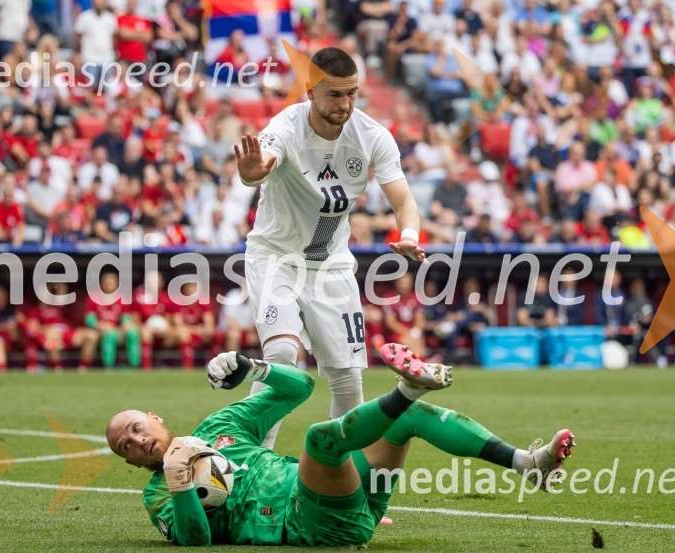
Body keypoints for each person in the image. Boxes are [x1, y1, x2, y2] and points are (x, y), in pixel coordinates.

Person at [106, 345, 575, 547]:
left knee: (407, 421)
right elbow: (195, 541)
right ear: (130, 462)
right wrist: (181, 479)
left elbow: (300, 386)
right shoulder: (158, 495)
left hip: (354, 502)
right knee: (318, 440)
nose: (135, 440)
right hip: (310, 526)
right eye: (125, 447)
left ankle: (528, 463)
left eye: (133, 427)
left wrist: (253, 367)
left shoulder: (221, 424)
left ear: (154, 417)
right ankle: (408, 387)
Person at [234, 47, 425, 449]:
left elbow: (404, 201)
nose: (346, 104)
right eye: (335, 95)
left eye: (352, 93)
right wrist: (251, 174)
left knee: (348, 379)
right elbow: (262, 160)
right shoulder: (285, 127)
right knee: (283, 357)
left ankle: (339, 491)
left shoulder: (372, 136)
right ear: (310, 91)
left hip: (332, 266)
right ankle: (250, 467)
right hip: (275, 258)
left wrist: (409, 234)